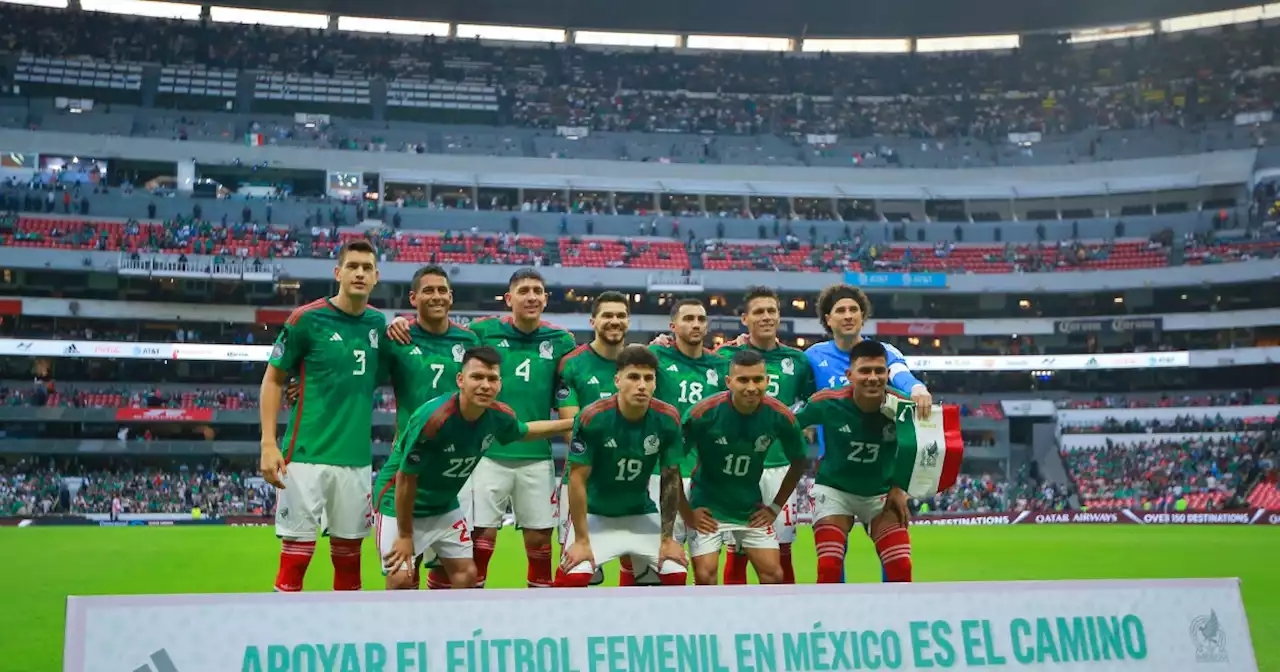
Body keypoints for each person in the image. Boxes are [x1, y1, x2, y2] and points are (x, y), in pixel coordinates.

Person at [390, 268, 576, 589]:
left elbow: (582, 374)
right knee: (480, 537)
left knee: (539, 540)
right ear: (508, 299)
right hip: (485, 453)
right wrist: (402, 322)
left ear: (545, 298)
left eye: (537, 291)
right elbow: (438, 326)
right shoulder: (482, 331)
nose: (531, 297)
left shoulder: (563, 341)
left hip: (536, 455)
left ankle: (542, 612)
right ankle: (475, 608)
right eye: (523, 291)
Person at [259, 239, 386, 592]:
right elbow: (273, 379)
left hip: (357, 461)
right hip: (305, 456)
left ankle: (347, 639)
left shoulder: (378, 324)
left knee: (349, 561)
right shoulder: (306, 319)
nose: (359, 273)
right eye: (352, 266)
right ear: (338, 273)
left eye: (366, 268)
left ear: (377, 276)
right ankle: (284, 638)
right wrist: (268, 443)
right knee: (295, 558)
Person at [804, 283, 931, 583]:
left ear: (863, 316)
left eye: (854, 310)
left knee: (897, 563)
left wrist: (918, 389)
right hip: (835, 473)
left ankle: (890, 620)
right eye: (841, 310)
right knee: (831, 562)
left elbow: (903, 377)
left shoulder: (884, 353)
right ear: (828, 319)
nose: (848, 316)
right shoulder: (812, 357)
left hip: (881, 482)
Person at [555, 346, 687, 587]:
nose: (642, 385)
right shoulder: (592, 417)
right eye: (634, 377)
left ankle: (654, 624)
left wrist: (667, 539)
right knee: (572, 577)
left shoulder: (668, 418)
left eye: (649, 378)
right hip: (594, 514)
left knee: (675, 572)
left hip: (639, 512)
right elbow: (576, 479)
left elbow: (670, 479)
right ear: (617, 380)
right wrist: (582, 540)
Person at [713, 286, 815, 584]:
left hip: (779, 468)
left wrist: (801, 427)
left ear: (779, 316)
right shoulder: (724, 356)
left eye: (771, 311)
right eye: (759, 311)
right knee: (737, 551)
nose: (766, 317)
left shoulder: (797, 361)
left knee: (781, 550)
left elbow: (809, 403)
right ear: (745, 318)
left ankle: (784, 619)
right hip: (735, 468)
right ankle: (733, 620)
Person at [680, 349, 807, 585]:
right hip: (707, 508)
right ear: (729, 382)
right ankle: (710, 622)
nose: (751, 387)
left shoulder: (780, 416)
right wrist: (688, 512)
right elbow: (671, 465)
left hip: (749, 509)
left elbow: (800, 462)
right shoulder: (703, 414)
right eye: (743, 380)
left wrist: (775, 507)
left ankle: (761, 622)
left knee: (774, 575)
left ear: (767, 381)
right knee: (706, 575)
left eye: (758, 379)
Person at [794, 340, 914, 583]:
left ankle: (897, 619)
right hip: (835, 490)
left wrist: (900, 487)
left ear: (888, 374)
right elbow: (786, 425)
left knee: (901, 566)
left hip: (881, 493)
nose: (873, 377)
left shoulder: (902, 406)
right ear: (849, 375)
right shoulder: (827, 402)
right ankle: (830, 620)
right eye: (865, 371)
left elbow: (917, 447)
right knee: (829, 565)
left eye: (879, 371)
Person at [553, 290, 629, 585]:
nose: (614, 321)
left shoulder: (640, 362)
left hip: (632, 480)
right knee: (580, 572)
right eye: (607, 315)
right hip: (584, 478)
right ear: (593, 320)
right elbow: (571, 427)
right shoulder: (573, 364)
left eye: (621, 315)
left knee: (640, 568)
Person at [648, 300, 727, 548]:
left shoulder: (722, 365)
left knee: (707, 566)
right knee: (656, 558)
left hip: (707, 477)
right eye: (688, 318)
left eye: (701, 319)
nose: (696, 324)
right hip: (662, 471)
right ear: (673, 326)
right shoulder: (655, 357)